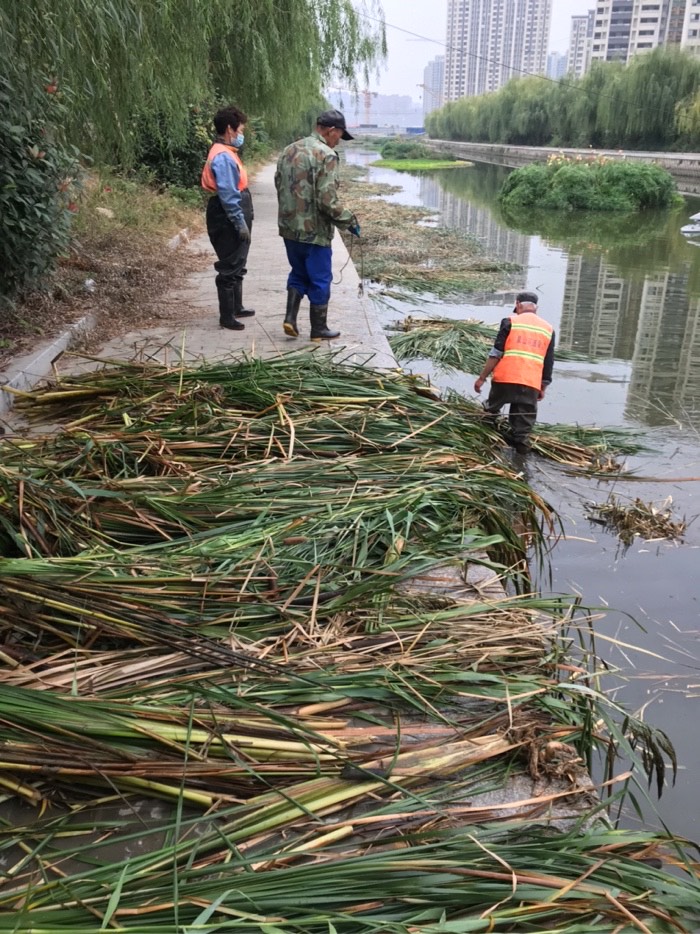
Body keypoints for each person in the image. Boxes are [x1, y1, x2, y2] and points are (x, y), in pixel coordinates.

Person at [275, 109, 360, 340]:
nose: (338, 142)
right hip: (314, 232)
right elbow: (328, 201)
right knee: (320, 278)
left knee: (298, 272)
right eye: (339, 136)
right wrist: (349, 221)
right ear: (331, 131)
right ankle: (318, 329)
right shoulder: (326, 155)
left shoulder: (288, 150)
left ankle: (290, 319)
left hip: (289, 228)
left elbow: (278, 184)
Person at [473, 291, 555, 455]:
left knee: (490, 412)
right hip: (530, 382)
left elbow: (496, 353)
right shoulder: (548, 329)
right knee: (523, 426)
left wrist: (482, 378)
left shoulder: (510, 321)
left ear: (518, 304)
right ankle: (521, 454)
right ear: (536, 308)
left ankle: (483, 445)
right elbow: (548, 361)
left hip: (505, 378)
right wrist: (543, 386)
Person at [201, 105, 255, 331]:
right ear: (230, 130)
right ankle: (227, 316)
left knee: (239, 259)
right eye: (240, 130)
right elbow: (228, 195)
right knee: (230, 263)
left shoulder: (226, 152)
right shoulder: (223, 157)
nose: (241, 135)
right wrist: (239, 221)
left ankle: (237, 306)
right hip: (226, 213)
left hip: (234, 207)